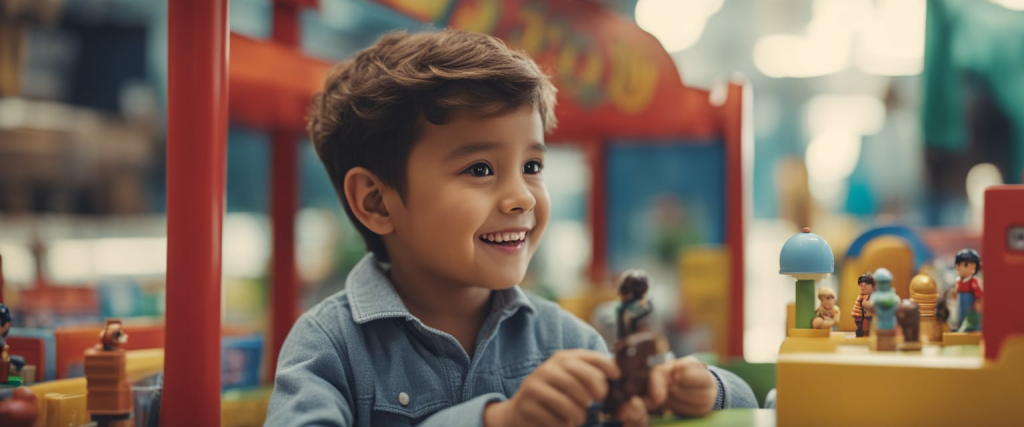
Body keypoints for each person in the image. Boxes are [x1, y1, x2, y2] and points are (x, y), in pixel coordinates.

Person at [264, 29, 756, 427]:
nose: (522, 196)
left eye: (532, 167)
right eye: (480, 169)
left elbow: (742, 405)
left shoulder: (565, 339)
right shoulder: (329, 345)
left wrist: (702, 392)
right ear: (375, 201)